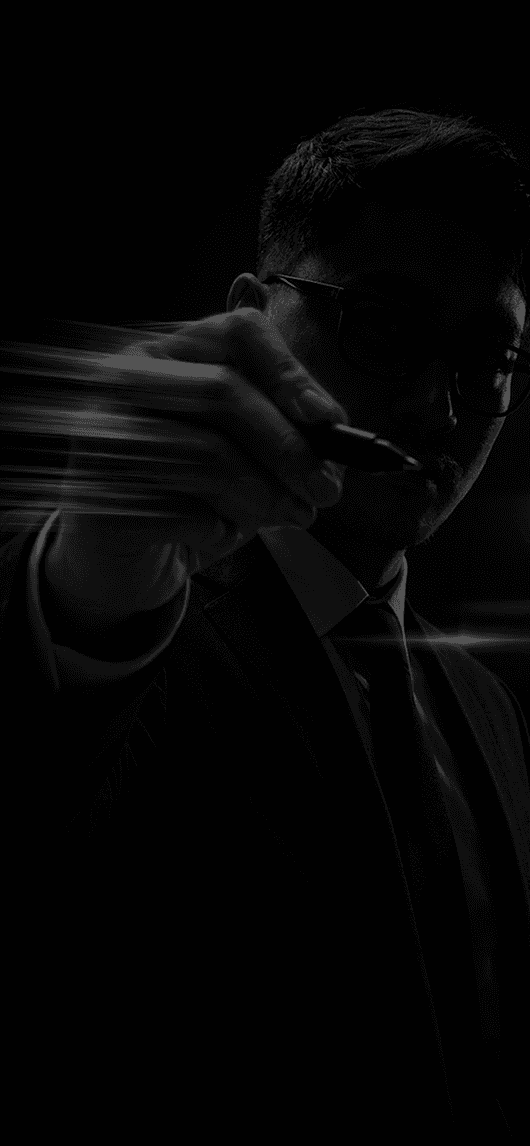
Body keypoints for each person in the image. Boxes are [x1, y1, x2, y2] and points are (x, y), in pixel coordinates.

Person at [2, 109, 528, 1137]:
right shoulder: (117, 619)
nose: (436, 408)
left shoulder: (489, 712)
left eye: (486, 358)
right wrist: (85, 593)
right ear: (250, 315)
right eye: (383, 323)